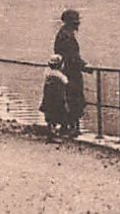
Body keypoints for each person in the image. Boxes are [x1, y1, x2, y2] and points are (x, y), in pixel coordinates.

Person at [53, 8, 91, 137]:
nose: (78, 24)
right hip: (71, 73)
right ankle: (73, 127)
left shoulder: (63, 33)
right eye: (76, 22)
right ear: (71, 23)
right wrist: (84, 66)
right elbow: (72, 57)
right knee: (74, 98)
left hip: (64, 71)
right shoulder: (67, 36)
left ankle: (66, 126)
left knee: (66, 98)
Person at [39, 55, 71, 142]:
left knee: (50, 116)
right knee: (58, 113)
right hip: (57, 98)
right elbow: (66, 82)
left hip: (48, 97)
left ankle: (51, 133)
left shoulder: (47, 74)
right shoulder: (60, 76)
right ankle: (56, 134)